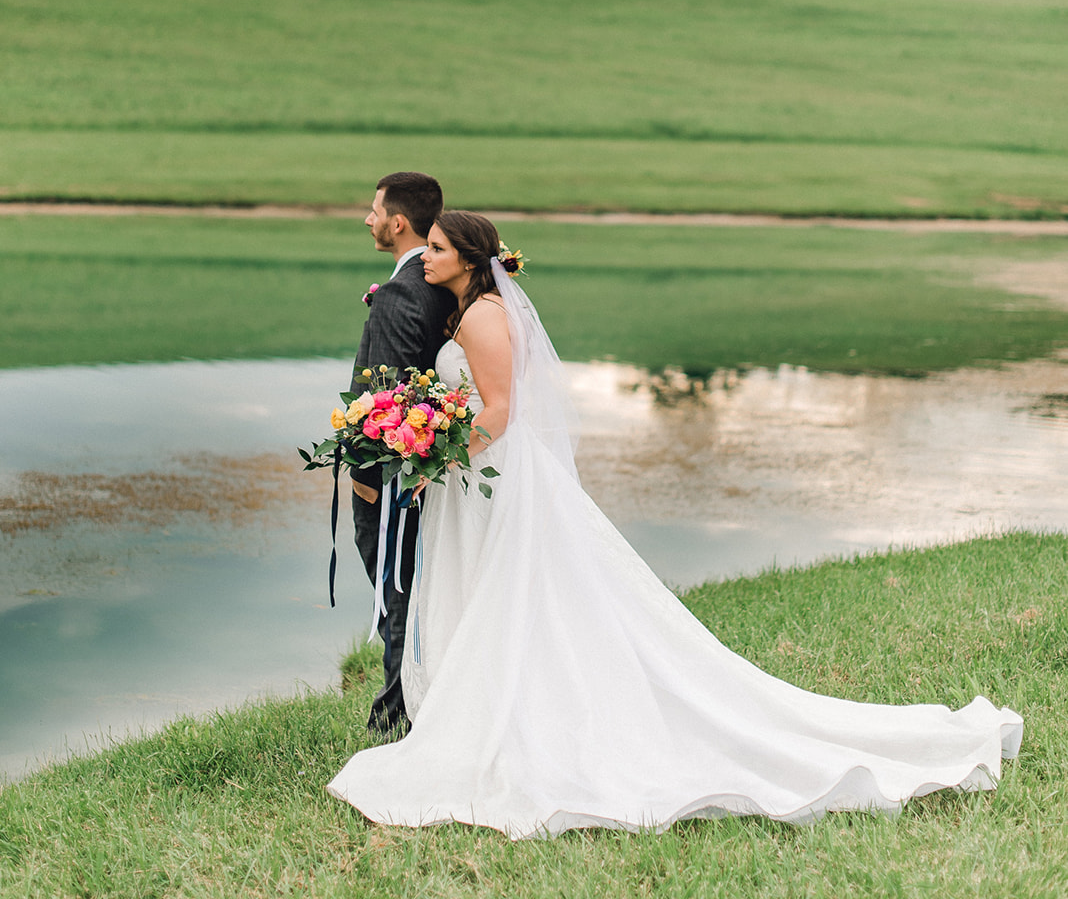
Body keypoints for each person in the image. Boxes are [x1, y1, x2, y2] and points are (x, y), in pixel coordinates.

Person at [329, 211, 1022, 839]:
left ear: (470, 259)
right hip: (482, 480)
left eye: (440, 248)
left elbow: (500, 409)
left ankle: (505, 724)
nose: (427, 256)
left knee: (506, 596)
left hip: (491, 479)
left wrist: (437, 455)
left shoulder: (479, 316)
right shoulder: (471, 307)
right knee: (507, 597)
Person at [347, 171, 454, 734]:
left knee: (395, 588)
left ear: (398, 222)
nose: (367, 219)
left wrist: (366, 479)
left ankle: (396, 714)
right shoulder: (446, 282)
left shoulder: (399, 293)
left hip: (394, 481)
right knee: (420, 585)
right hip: (437, 471)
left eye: (373, 210)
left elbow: (382, 399)